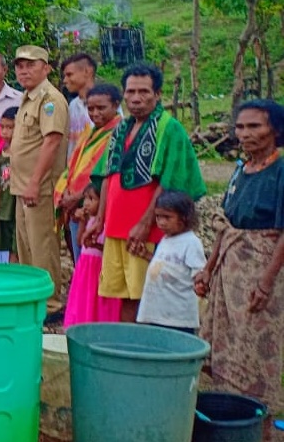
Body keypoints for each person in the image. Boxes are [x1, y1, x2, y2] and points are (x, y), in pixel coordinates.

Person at [85, 63, 205, 323]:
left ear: (158, 94)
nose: (136, 98)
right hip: (116, 228)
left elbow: (169, 180)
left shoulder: (168, 128)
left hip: (145, 230)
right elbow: (108, 176)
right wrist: (100, 221)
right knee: (124, 295)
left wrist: (144, 223)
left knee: (146, 295)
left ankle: (146, 350)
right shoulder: (122, 128)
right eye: (130, 92)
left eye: (144, 92)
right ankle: (129, 350)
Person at [195, 99, 284, 417]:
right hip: (229, 267)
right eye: (241, 127)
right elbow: (225, 225)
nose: (245, 133)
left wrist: (266, 280)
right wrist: (207, 268)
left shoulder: (280, 171)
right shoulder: (241, 170)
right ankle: (225, 411)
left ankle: (253, 421)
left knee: (253, 345)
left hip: (260, 268)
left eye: (255, 126)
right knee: (226, 342)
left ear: (275, 129)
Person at [9, 45, 69, 322]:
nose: (24, 70)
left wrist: (34, 183)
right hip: (22, 187)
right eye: (20, 65)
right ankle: (34, 299)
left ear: (46, 68)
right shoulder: (28, 98)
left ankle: (51, 305)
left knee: (43, 247)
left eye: (31, 65)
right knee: (27, 249)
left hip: (40, 188)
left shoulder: (50, 100)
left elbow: (52, 142)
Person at [54, 83, 122, 262]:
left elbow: (104, 173)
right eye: (90, 109)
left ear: (116, 106)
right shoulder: (89, 133)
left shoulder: (119, 133)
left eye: (101, 108)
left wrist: (76, 197)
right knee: (82, 258)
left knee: (95, 260)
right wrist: (65, 193)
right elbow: (73, 166)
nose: (95, 113)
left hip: (98, 206)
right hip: (76, 204)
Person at [136, 191, 205, 334]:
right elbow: (168, 264)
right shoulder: (166, 239)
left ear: (184, 218)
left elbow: (199, 273)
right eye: (158, 217)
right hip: (157, 312)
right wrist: (147, 256)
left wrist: (200, 285)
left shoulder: (191, 243)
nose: (161, 222)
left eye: (167, 217)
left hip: (178, 316)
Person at [63, 183, 122, 327]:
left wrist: (95, 245)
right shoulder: (90, 221)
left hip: (98, 267)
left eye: (92, 199)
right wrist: (82, 222)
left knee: (97, 298)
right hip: (86, 267)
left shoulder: (106, 224)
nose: (87, 203)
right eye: (86, 199)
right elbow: (79, 241)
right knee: (85, 296)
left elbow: (107, 248)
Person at [0, 107, 19, 263]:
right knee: (8, 247)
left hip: (18, 208)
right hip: (5, 210)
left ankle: (16, 280)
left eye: (10, 127)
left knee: (17, 248)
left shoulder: (23, 154)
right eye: (2, 127)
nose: (5, 131)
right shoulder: (0, 154)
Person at [60, 52, 97, 157]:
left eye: (69, 75)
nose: (65, 80)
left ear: (87, 72)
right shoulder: (73, 105)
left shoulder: (106, 103)